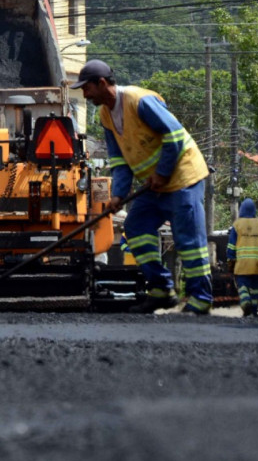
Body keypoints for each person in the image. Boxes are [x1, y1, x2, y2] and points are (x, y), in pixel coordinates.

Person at [73, 59, 213, 315]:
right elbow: (119, 160)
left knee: (188, 239)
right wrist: (118, 195)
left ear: (101, 83)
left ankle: (201, 298)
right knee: (136, 227)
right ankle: (161, 290)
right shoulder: (105, 115)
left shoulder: (139, 101)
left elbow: (174, 136)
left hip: (183, 178)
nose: (84, 94)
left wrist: (162, 172)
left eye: (87, 88)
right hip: (155, 186)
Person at [227, 198, 258, 318]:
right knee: (256, 290)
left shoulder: (237, 225)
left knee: (242, 286)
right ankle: (254, 312)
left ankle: (245, 303)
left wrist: (230, 259)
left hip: (242, 265)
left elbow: (231, 246)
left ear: (241, 210)